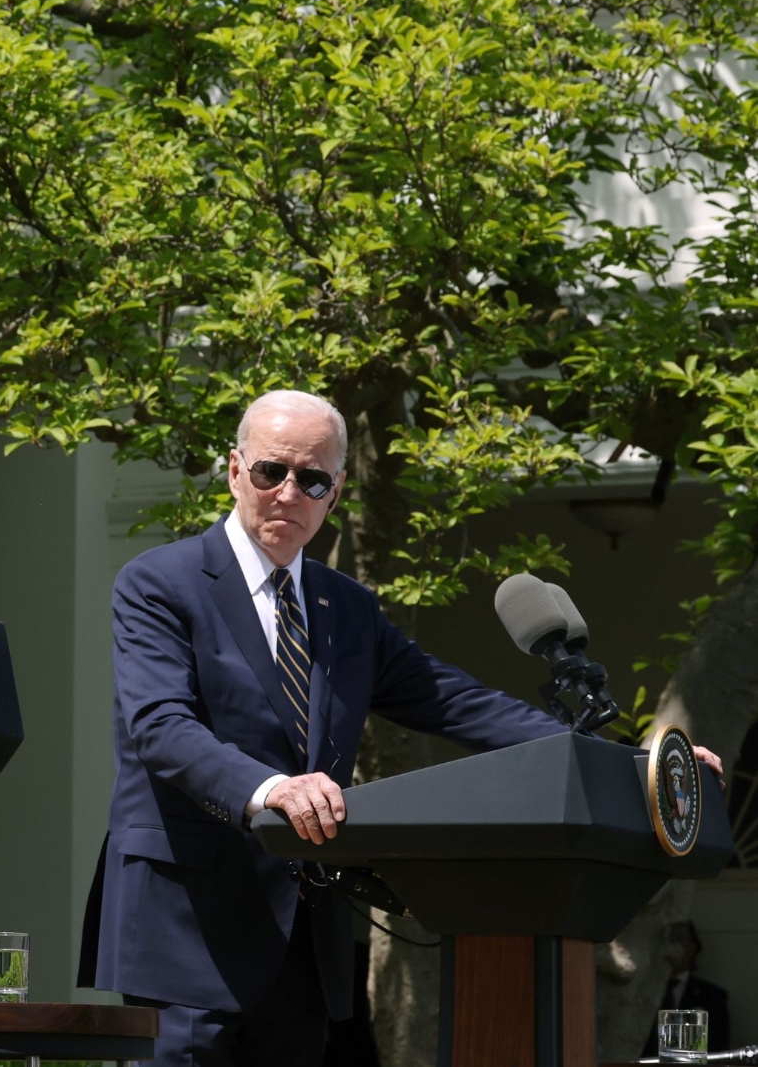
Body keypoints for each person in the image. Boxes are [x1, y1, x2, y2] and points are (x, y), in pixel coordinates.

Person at [76, 390, 725, 1067]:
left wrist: (634, 766)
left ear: (337, 491)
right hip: (185, 928)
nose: (288, 493)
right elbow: (160, 727)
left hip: (300, 940)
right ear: (236, 469)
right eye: (271, 471)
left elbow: (458, 702)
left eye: (313, 479)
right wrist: (270, 789)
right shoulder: (160, 583)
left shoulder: (345, 607)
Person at [641, 921, 732, 1055]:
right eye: (668, 942)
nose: (673, 949)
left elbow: (718, 1048)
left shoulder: (712, 996)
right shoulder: (641, 992)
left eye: (681, 942)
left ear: (693, 948)